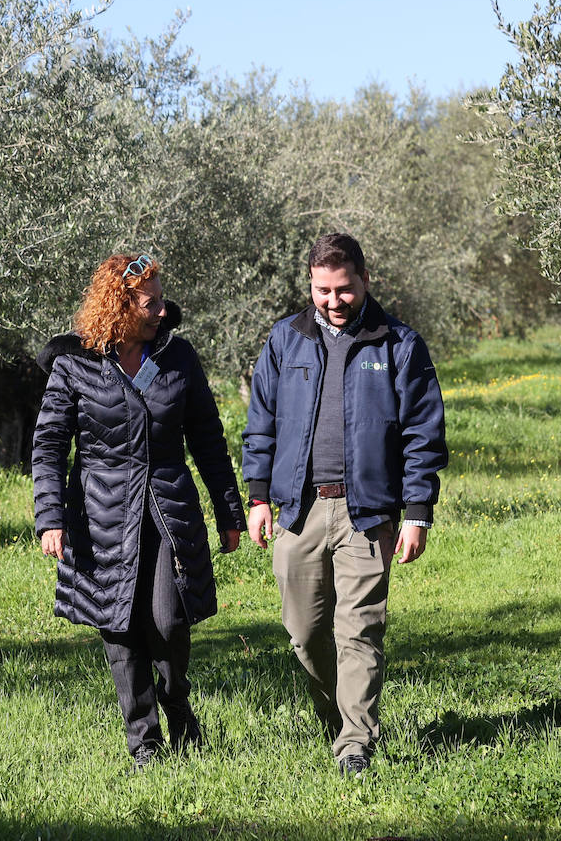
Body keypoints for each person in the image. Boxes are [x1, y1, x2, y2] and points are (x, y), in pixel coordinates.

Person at [241, 232, 447, 776]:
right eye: (322, 290)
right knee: (305, 636)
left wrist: (418, 511)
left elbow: (423, 435)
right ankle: (337, 719)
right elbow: (260, 423)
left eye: (343, 289)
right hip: (299, 511)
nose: (333, 301)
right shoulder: (286, 339)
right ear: (311, 285)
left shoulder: (399, 345)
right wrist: (257, 497)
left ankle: (356, 743)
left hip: (368, 514)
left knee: (358, 630)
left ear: (365, 281)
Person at [32, 252, 244, 769]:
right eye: (150, 303)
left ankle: (179, 709)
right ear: (120, 305)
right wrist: (50, 516)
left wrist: (229, 509)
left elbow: (209, 441)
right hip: (100, 518)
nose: (162, 311)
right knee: (120, 627)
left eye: (160, 300)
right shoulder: (76, 363)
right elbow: (50, 443)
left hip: (169, 511)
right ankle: (143, 742)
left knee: (169, 623)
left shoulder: (178, 358)